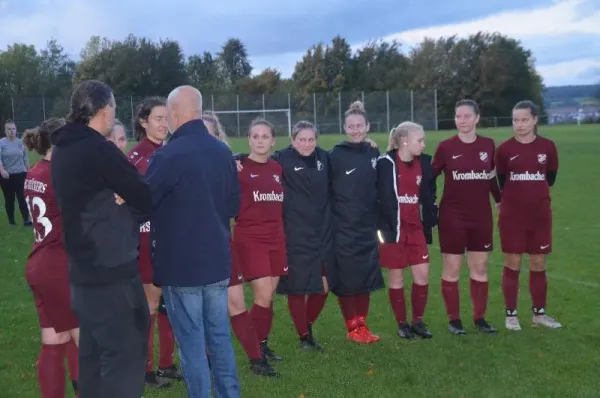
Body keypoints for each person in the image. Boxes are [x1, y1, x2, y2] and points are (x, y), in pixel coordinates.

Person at [50, 79, 152, 398]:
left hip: (82, 272)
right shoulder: (99, 149)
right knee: (125, 359)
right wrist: (124, 195)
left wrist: (120, 195)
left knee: (93, 359)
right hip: (112, 272)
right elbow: (144, 196)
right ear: (106, 112)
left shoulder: (63, 149)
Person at [145, 86, 240, 397]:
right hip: (216, 261)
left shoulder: (167, 155)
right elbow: (233, 205)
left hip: (181, 266)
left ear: (174, 114)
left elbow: (144, 202)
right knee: (219, 338)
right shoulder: (223, 151)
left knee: (192, 344)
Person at [203, 110, 278, 377]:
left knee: (236, 303)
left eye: (209, 133)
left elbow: (233, 205)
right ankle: (204, 357)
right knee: (204, 306)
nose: (204, 138)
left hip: (222, 241)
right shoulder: (178, 163)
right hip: (192, 245)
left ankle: (257, 360)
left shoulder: (230, 166)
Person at [431, 99, 501, 335]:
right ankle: (454, 320)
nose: (462, 120)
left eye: (467, 116)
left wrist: (500, 200)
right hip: (453, 216)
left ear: (477, 118)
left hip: (481, 216)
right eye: (458, 116)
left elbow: (492, 177)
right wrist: (428, 203)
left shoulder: (489, 145)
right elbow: (430, 177)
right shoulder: (445, 147)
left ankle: (480, 319)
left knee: (479, 267)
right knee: (452, 268)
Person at [22, 118, 80, 397]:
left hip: (39, 262)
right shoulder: (59, 174)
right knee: (90, 343)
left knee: (55, 339)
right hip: (59, 264)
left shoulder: (35, 171)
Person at [127, 97, 181, 388]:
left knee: (169, 302)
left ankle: (166, 363)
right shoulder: (136, 157)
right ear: (143, 122)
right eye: (157, 118)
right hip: (147, 236)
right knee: (150, 302)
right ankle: (145, 370)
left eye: (166, 118)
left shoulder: (172, 152)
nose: (163, 124)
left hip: (172, 236)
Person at [496, 100, 562, 331]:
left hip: (540, 215)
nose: (520, 125)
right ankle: (511, 315)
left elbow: (550, 178)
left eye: (524, 120)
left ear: (535, 120)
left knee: (538, 262)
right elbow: (502, 181)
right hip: (513, 215)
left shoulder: (548, 147)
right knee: (512, 263)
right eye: (516, 120)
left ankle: (539, 314)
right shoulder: (504, 149)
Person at [328, 101, 384, 344]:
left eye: (359, 125)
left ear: (367, 126)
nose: (355, 129)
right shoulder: (336, 155)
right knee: (348, 279)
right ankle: (352, 327)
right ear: (344, 127)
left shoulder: (373, 152)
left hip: (367, 226)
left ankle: (363, 324)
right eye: (350, 126)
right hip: (343, 227)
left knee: (365, 278)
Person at [232, 118, 287, 363]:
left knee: (269, 296)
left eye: (265, 136)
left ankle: (260, 345)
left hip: (276, 235)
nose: (260, 140)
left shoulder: (277, 168)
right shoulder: (239, 166)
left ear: (273, 141)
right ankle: (254, 350)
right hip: (250, 236)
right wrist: (233, 158)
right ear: (249, 139)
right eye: (255, 136)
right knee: (263, 295)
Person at [377, 122, 438, 339]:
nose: (423, 144)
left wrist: (431, 213)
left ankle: (418, 321)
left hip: (416, 229)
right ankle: (402, 323)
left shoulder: (424, 163)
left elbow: (429, 190)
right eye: (419, 140)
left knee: (422, 275)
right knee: (397, 279)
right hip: (393, 231)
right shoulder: (385, 164)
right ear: (404, 141)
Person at [1, 119, 31, 226]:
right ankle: (11, 221)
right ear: (5, 131)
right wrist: (2, 171)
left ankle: (26, 220)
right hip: (6, 176)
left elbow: (25, 158)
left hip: (20, 174)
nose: (11, 131)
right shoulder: (1, 143)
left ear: (16, 130)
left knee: (22, 198)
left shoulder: (21, 143)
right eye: (9, 129)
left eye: (13, 129)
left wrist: (30, 172)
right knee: (9, 199)